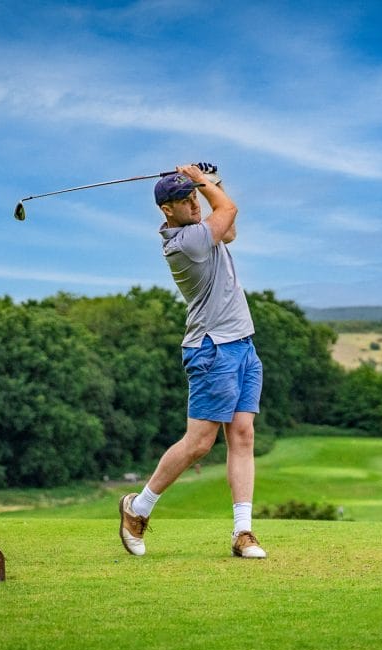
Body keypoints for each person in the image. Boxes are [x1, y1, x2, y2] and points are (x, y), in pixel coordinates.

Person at [118, 163, 267, 559]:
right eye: (185, 200)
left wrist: (210, 180)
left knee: (243, 436)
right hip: (211, 349)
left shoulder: (204, 231)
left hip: (241, 345)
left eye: (195, 198)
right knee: (199, 443)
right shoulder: (186, 243)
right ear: (167, 210)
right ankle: (138, 509)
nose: (194, 204)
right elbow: (229, 212)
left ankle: (243, 532)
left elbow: (228, 226)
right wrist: (203, 181)